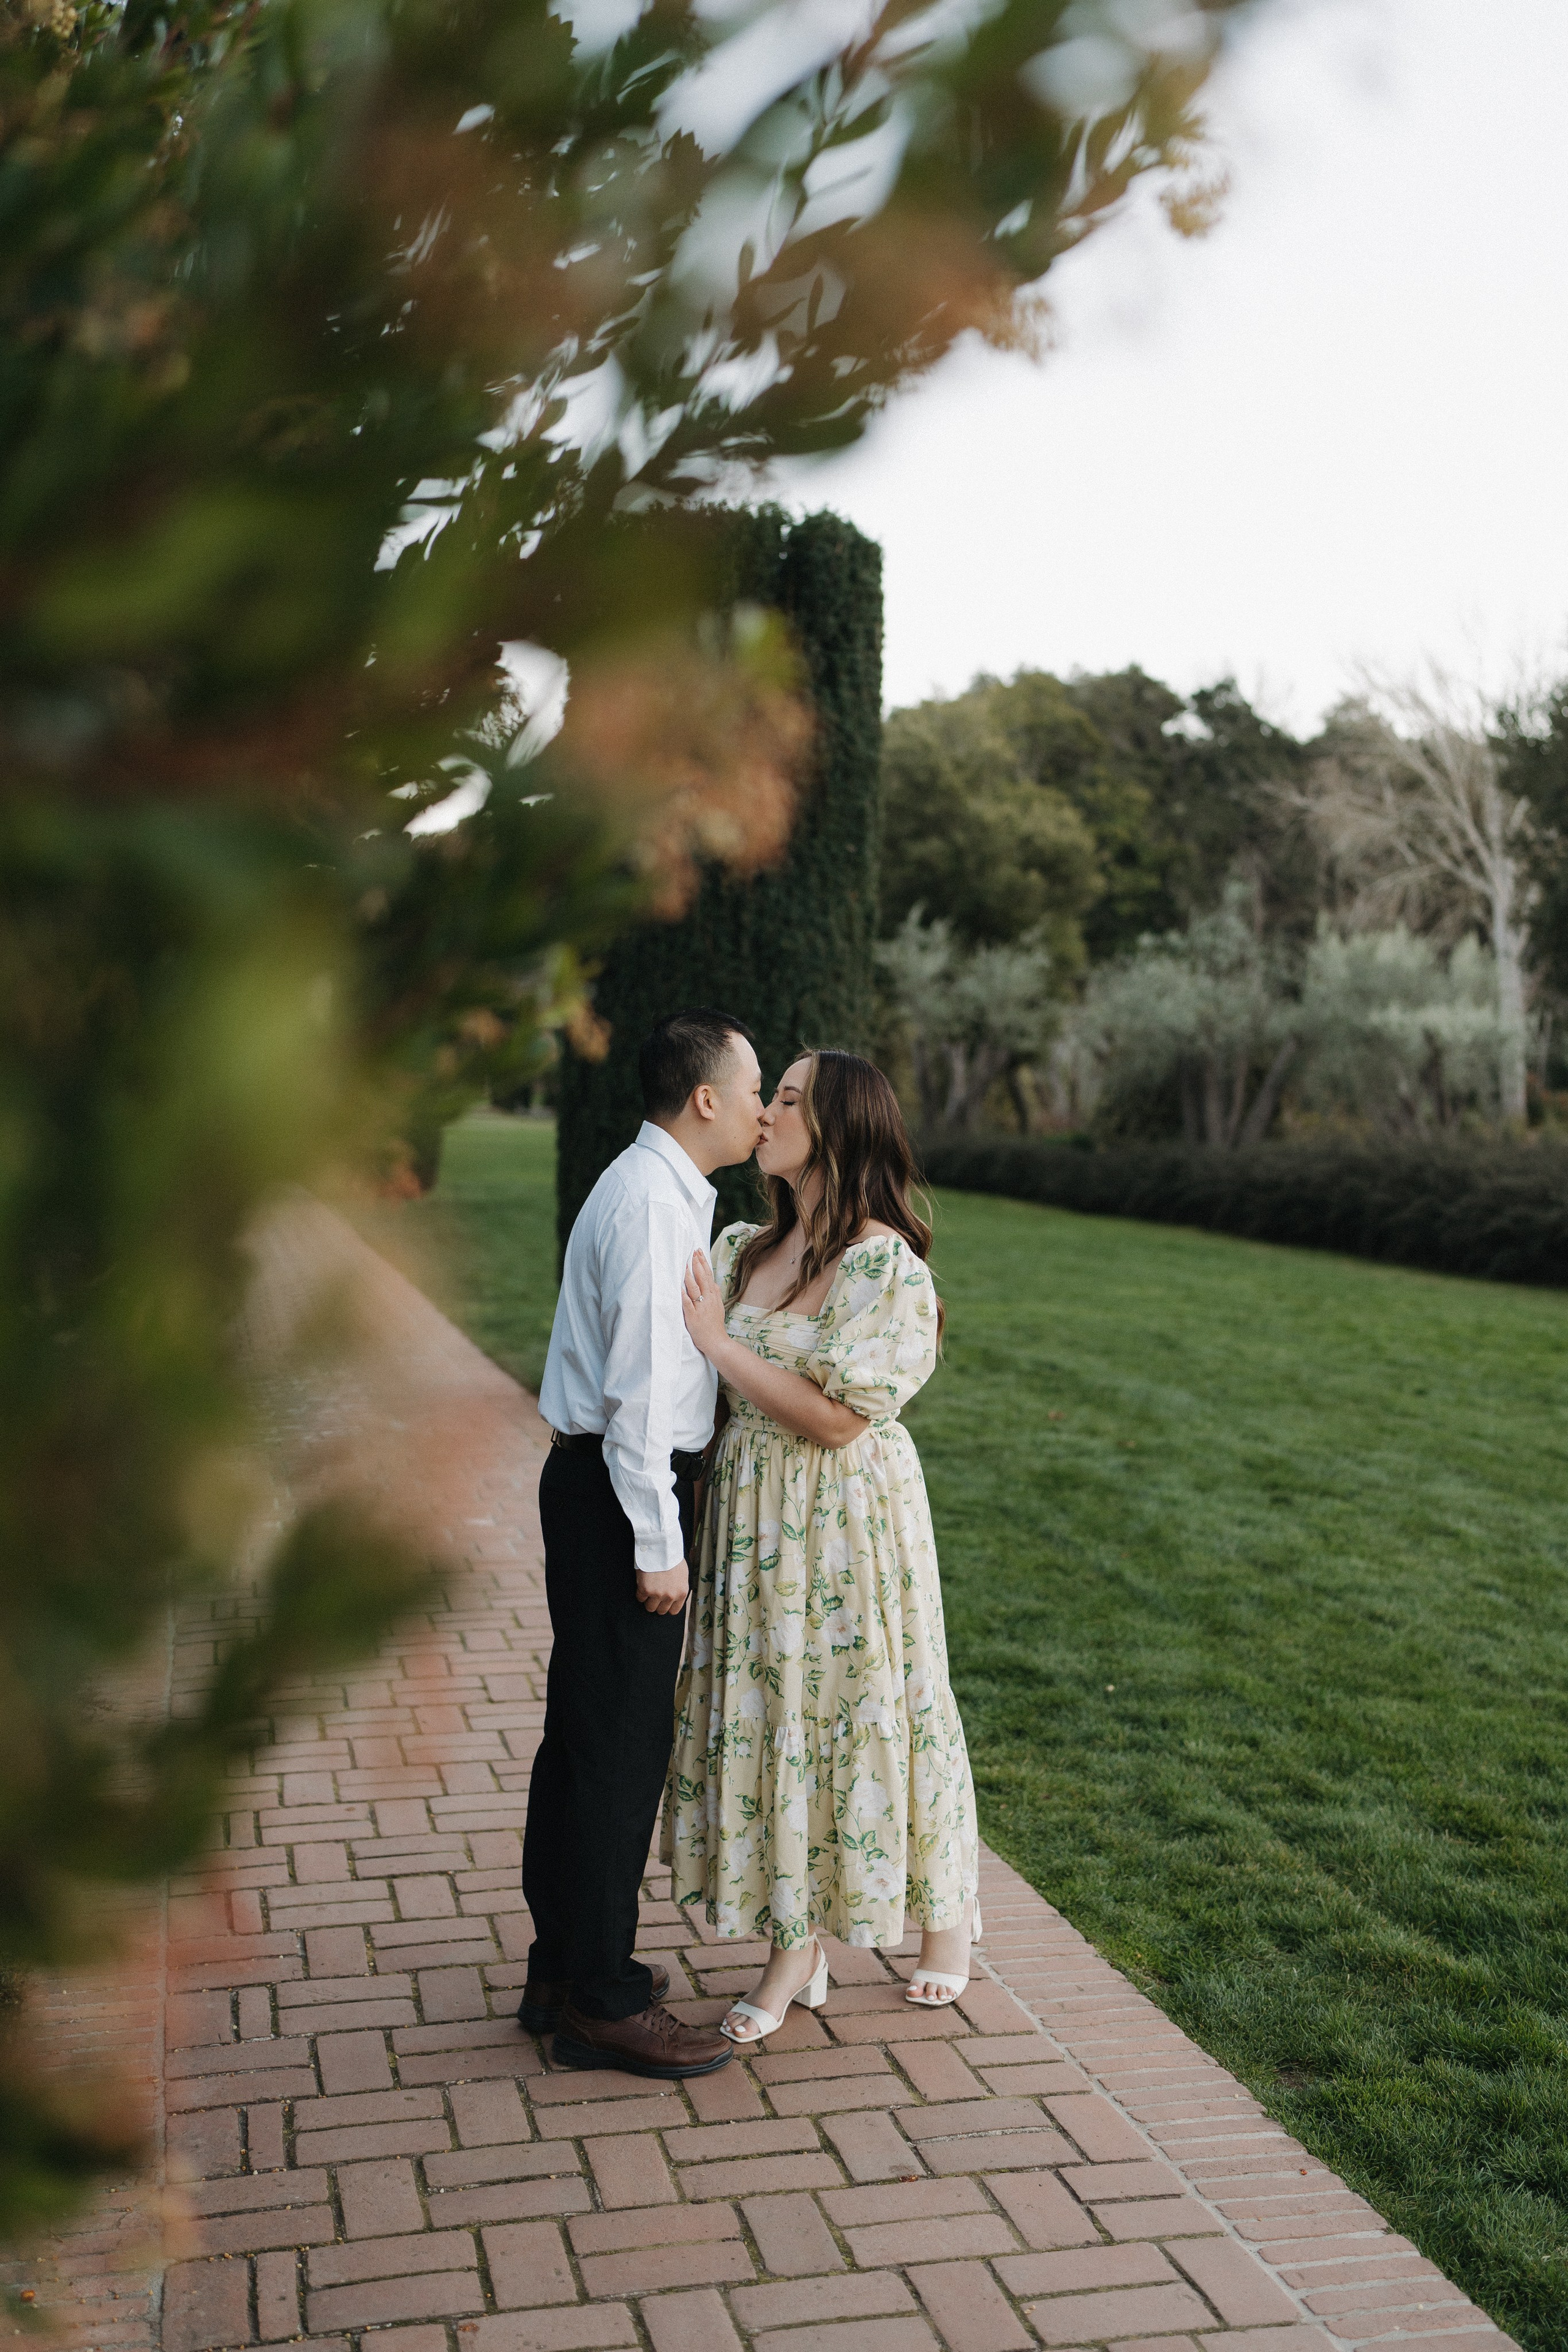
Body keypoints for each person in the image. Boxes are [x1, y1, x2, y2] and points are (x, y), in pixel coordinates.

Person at [665, 1047, 980, 2040]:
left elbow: (841, 1422)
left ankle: (945, 1922)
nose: (767, 1115)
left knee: (875, 1704)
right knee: (773, 1710)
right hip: (754, 1521)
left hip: (846, 1520)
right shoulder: (743, 1250)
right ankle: (794, 1940)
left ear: (839, 1127)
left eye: (790, 1100)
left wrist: (722, 1347)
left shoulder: (884, 1263)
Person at [521, 1007, 763, 2077]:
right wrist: (657, 1544)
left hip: (596, 1489)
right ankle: (604, 2003)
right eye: (755, 1089)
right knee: (616, 1752)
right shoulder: (657, 1211)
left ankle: (565, 1969)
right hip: (623, 1494)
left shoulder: (649, 1188)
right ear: (705, 1098)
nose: (763, 1108)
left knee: (583, 1738)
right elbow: (638, 1399)